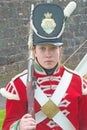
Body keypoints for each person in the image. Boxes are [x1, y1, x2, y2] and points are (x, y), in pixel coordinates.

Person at [0, 2, 87, 130]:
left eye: (53, 48)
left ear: (60, 50)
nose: (48, 54)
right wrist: (19, 126)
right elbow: (7, 126)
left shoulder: (78, 83)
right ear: (34, 51)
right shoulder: (19, 85)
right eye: (42, 49)